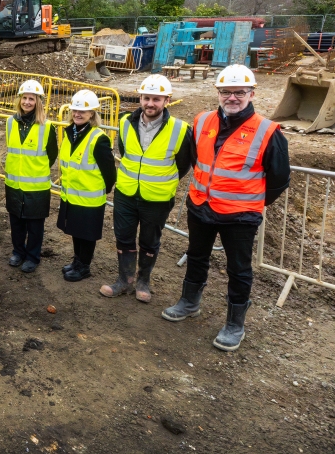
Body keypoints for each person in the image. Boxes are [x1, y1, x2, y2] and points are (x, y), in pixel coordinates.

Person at [162, 65, 290, 352]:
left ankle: (235, 324)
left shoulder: (267, 132)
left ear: (251, 93)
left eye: (239, 92)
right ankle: (189, 302)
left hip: (240, 216)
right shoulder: (202, 121)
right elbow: (197, 161)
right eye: (226, 92)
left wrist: (251, 202)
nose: (232, 97)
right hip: (200, 206)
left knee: (239, 269)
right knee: (196, 256)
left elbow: (280, 179)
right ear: (218, 93)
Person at [101, 74, 195, 302]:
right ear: (140, 98)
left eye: (156, 99)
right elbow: (125, 153)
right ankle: (125, 280)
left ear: (166, 100)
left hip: (157, 198)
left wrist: (158, 180)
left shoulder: (180, 129)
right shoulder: (125, 122)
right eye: (146, 98)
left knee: (149, 241)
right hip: (126, 193)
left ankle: (143, 281)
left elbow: (183, 165)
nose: (150, 103)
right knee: (124, 237)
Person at [58, 90, 116, 282]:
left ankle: (84, 266)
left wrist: (101, 191)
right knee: (76, 231)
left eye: (83, 111)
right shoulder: (70, 133)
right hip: (72, 195)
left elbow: (109, 172)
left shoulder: (98, 138)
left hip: (89, 198)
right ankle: (77, 261)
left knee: (87, 234)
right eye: (75, 110)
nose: (78, 114)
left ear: (92, 114)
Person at [4, 80, 58, 274]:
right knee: (16, 222)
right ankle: (18, 252)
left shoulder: (47, 126)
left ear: (38, 102)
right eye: (25, 98)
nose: (27, 102)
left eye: (31, 99)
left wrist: (34, 170)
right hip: (14, 183)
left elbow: (52, 154)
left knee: (35, 225)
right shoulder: (11, 122)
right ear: (20, 100)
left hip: (36, 186)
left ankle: (32, 256)